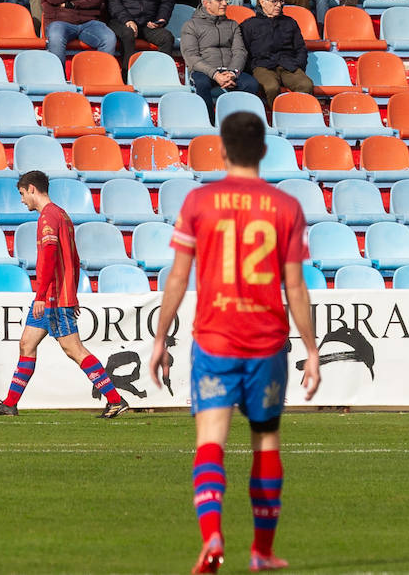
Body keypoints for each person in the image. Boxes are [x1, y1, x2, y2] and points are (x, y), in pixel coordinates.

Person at [150, 112, 321, 572]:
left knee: (211, 441)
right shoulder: (286, 207)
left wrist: (160, 339)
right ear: (264, 151)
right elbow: (296, 287)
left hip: (214, 339)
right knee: (266, 441)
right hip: (266, 342)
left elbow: (178, 279)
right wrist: (312, 350)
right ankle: (262, 553)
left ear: (222, 151)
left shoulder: (198, 201)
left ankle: (212, 537)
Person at [0, 169, 131, 419]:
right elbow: (74, 258)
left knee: (74, 350)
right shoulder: (61, 214)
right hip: (57, 295)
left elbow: (51, 258)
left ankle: (115, 400)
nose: (21, 200)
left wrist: (42, 296)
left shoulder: (48, 217)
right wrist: (72, 294)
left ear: (32, 189)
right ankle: (9, 404)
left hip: (52, 298)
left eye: (21, 193)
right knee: (26, 344)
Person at [181, 0, 262, 114]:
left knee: (250, 83)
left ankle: (238, 121)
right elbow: (191, 57)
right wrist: (215, 74)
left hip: (229, 70)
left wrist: (232, 73)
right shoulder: (191, 25)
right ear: (207, 3)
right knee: (202, 83)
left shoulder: (232, 24)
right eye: (220, 0)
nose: (225, 3)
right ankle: (209, 122)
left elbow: (239, 51)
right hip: (204, 71)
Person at [240, 0, 314, 105]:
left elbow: (301, 48)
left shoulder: (290, 22)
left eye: (281, 1)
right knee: (271, 87)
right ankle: (276, 117)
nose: (279, 5)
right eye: (274, 2)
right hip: (262, 66)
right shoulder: (249, 25)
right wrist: (253, 67)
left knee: (306, 85)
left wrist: (297, 64)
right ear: (262, 2)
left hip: (288, 65)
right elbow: (243, 51)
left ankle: (295, 114)